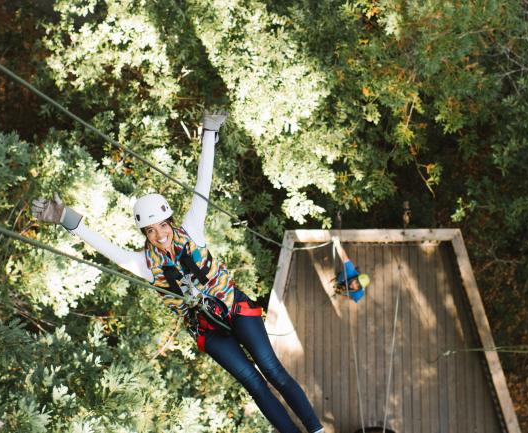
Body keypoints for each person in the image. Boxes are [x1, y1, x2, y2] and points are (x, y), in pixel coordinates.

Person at [31, 112, 323, 433]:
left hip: (233, 306)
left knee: (272, 370)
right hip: (207, 329)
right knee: (254, 384)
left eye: (162, 226)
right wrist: (67, 218)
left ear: (170, 222)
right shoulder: (144, 264)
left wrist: (208, 133)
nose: (159, 235)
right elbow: (107, 248)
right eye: (150, 231)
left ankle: (316, 429)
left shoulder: (192, 229)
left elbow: (202, 186)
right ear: (145, 234)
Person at [331, 236, 370, 302]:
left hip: (345, 291)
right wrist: (337, 244)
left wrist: (343, 297)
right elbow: (344, 257)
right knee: (338, 279)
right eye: (356, 281)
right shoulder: (350, 271)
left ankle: (338, 287)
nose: (354, 285)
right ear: (356, 277)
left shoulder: (358, 294)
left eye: (357, 286)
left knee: (340, 291)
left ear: (360, 288)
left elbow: (353, 298)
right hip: (342, 278)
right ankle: (336, 279)